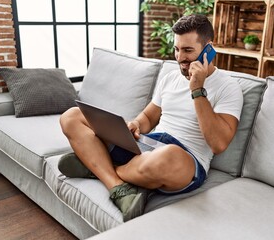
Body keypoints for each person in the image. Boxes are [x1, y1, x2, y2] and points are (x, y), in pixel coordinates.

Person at [58, 14, 243, 221]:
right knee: (72, 116)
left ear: (208, 49)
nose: (180, 57)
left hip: (185, 159)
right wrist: (135, 124)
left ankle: (96, 166)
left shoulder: (228, 87)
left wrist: (197, 90)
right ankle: (118, 186)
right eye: (177, 49)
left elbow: (218, 144)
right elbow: (148, 117)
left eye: (188, 50)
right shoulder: (170, 78)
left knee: (168, 156)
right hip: (147, 147)